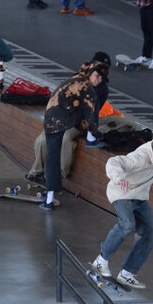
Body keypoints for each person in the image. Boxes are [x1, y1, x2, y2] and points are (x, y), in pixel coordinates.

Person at [91, 101, 153, 289]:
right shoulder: (138, 159)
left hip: (140, 196)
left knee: (151, 234)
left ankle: (127, 272)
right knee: (127, 224)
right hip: (121, 191)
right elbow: (114, 162)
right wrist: (119, 177)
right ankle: (101, 260)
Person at [39, 62, 108, 208]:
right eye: (97, 76)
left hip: (50, 118)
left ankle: (49, 200)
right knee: (92, 103)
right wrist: (97, 134)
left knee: (53, 157)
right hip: (64, 119)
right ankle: (90, 139)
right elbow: (90, 115)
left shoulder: (76, 77)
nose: (98, 80)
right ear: (90, 74)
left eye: (101, 78)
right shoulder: (87, 87)